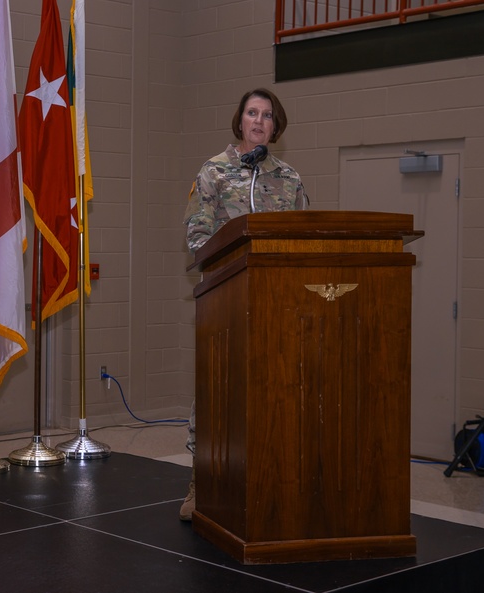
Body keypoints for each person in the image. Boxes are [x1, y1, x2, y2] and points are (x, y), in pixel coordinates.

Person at [180, 88, 308, 521]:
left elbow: (304, 241)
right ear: (240, 121)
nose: (259, 121)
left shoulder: (288, 179)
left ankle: (277, 479)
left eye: (267, 115)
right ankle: (201, 481)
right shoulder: (214, 172)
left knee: (278, 391)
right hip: (226, 300)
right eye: (252, 113)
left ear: (276, 125)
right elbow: (197, 239)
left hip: (279, 305)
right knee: (216, 389)